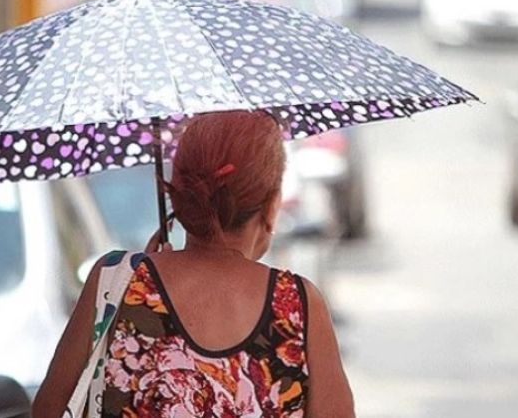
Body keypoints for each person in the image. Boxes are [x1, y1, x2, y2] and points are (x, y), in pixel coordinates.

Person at [32, 111, 355, 417]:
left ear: (179, 198)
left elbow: (49, 410)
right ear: (271, 207)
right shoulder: (297, 303)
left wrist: (136, 277)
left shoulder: (115, 281)